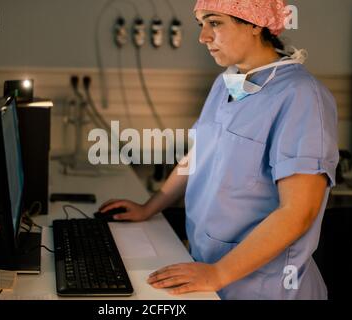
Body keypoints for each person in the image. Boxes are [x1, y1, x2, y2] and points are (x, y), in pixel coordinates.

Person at [98, 0, 339, 300]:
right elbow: (199, 153)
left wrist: (219, 273)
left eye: (215, 22)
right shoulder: (227, 83)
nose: (203, 37)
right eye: (201, 24)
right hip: (211, 275)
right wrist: (151, 206)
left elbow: (297, 213)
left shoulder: (301, 96)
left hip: (268, 287)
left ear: (254, 23)